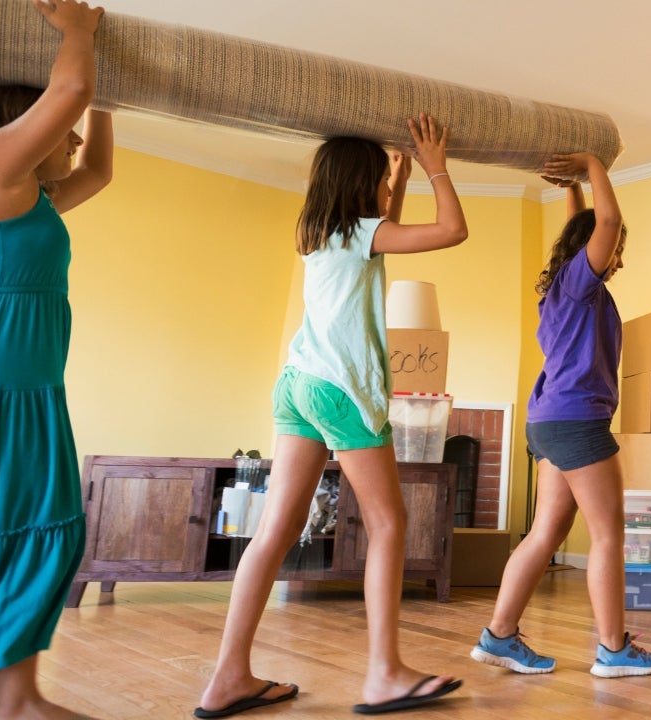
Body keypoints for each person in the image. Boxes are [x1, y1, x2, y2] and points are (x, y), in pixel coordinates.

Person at [196, 113, 468, 718]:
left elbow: (383, 222)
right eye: (377, 183)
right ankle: (384, 673)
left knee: (274, 530)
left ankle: (227, 678)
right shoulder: (360, 233)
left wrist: (394, 177)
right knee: (390, 521)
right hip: (343, 389)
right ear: (361, 188)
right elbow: (452, 230)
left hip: (297, 384)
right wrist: (434, 166)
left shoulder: (320, 232)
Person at [0, 1, 113, 718]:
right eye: (56, 126)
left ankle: (17, 699)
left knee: (42, 532)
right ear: (17, 128)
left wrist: (114, 93)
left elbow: (97, 168)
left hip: (29, 387)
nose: (69, 133)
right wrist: (79, 33)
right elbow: (68, 92)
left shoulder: (28, 200)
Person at [469, 152, 651, 678]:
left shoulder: (566, 289)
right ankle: (613, 650)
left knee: (545, 533)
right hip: (577, 422)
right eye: (616, 250)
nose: (618, 257)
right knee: (608, 536)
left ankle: (499, 636)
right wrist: (593, 162)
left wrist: (571, 187)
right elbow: (607, 222)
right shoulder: (581, 285)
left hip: (549, 421)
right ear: (593, 250)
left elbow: (587, 226)